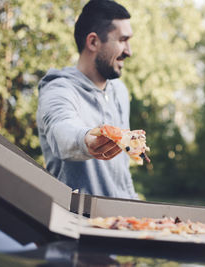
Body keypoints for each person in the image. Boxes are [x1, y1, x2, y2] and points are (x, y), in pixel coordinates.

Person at [36, 0, 138, 199]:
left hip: (125, 221)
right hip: (78, 223)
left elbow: (121, 172)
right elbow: (61, 128)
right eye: (122, 40)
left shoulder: (120, 90)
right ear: (93, 42)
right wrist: (85, 139)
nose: (129, 51)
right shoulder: (59, 88)